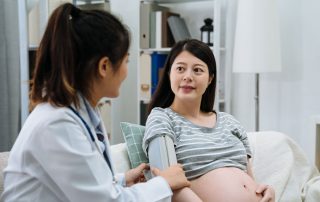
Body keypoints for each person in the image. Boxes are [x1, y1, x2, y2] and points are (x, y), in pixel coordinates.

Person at [0, 3, 191, 202]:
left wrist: (122, 180)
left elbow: (82, 183)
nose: (127, 70)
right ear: (104, 66)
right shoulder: (56, 124)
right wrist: (164, 183)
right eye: (126, 60)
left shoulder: (79, 114)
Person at [143, 39, 275, 202]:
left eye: (197, 70)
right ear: (170, 73)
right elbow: (167, 184)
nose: (187, 77)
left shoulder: (229, 121)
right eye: (180, 69)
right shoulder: (162, 118)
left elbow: (250, 178)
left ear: (210, 78)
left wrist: (265, 191)